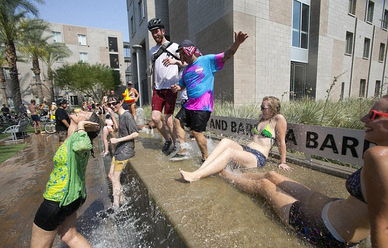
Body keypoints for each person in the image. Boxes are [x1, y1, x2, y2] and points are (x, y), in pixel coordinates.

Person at [217, 96, 388, 247]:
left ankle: (225, 174)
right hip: (333, 209)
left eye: (373, 115)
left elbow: (381, 225)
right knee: (272, 175)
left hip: (324, 229)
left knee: (264, 185)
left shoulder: (377, 156)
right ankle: (238, 175)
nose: (363, 118)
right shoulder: (380, 153)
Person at [171, 31, 248, 161]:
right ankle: (184, 150)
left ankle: (205, 158)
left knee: (196, 132)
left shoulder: (206, 60)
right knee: (177, 121)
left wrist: (237, 43)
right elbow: (182, 85)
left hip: (203, 105)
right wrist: (177, 87)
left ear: (189, 50)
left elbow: (227, 55)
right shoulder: (186, 70)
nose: (181, 56)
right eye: (180, 54)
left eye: (182, 52)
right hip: (189, 104)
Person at [30, 112, 100, 248]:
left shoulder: (80, 140)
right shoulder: (74, 137)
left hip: (57, 200)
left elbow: (83, 146)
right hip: (70, 198)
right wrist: (77, 126)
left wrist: (80, 126)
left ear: (87, 124)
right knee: (70, 236)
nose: (81, 110)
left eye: (85, 113)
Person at [179, 96, 289, 182]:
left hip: (257, 157)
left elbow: (281, 141)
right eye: (261, 107)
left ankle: (196, 176)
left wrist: (283, 161)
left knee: (230, 152)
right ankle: (202, 168)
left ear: (272, 109)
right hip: (246, 150)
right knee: (225, 141)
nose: (261, 110)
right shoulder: (262, 118)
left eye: (263, 108)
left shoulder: (278, 119)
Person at [148, 18, 184, 155]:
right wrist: (153, 86)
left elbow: (186, 63)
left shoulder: (174, 46)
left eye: (157, 31)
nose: (155, 34)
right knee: (155, 118)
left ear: (163, 31)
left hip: (171, 87)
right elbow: (154, 69)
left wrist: (175, 61)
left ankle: (177, 145)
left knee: (169, 119)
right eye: (152, 32)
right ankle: (168, 139)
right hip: (157, 89)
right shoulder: (152, 51)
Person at [108, 98, 139, 208]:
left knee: (115, 178)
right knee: (110, 175)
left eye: (114, 103)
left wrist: (117, 140)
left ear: (120, 102)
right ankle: (123, 199)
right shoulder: (120, 115)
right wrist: (112, 115)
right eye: (109, 104)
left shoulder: (127, 115)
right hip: (119, 149)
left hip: (125, 150)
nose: (112, 106)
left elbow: (135, 134)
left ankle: (116, 205)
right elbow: (117, 130)